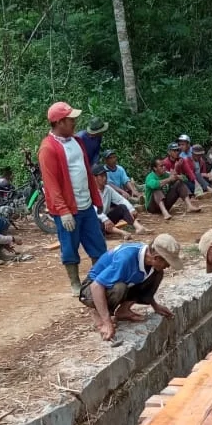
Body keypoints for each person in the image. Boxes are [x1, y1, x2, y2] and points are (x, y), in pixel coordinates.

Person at [39, 101, 107, 296]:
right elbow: (51, 185)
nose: (74, 122)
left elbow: (86, 171)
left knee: (98, 244)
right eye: (70, 119)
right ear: (59, 122)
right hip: (68, 209)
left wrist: (97, 199)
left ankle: (98, 278)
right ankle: (75, 283)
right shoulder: (48, 149)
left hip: (85, 205)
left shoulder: (77, 141)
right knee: (70, 247)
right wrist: (63, 211)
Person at [80, 234, 183, 341]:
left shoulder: (149, 262)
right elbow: (96, 286)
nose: (168, 266)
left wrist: (155, 306)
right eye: (167, 262)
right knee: (119, 287)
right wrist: (107, 323)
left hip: (112, 285)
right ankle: (99, 315)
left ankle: (123, 311)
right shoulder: (126, 259)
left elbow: (142, 282)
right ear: (156, 258)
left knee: (157, 274)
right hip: (91, 289)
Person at [93, 163, 148, 237]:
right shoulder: (90, 191)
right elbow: (94, 209)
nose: (105, 178)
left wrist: (131, 209)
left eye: (105, 175)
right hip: (97, 220)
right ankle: (122, 232)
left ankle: (138, 227)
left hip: (107, 220)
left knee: (122, 207)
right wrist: (105, 219)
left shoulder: (108, 189)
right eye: (102, 176)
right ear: (94, 178)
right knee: (97, 223)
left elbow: (121, 200)